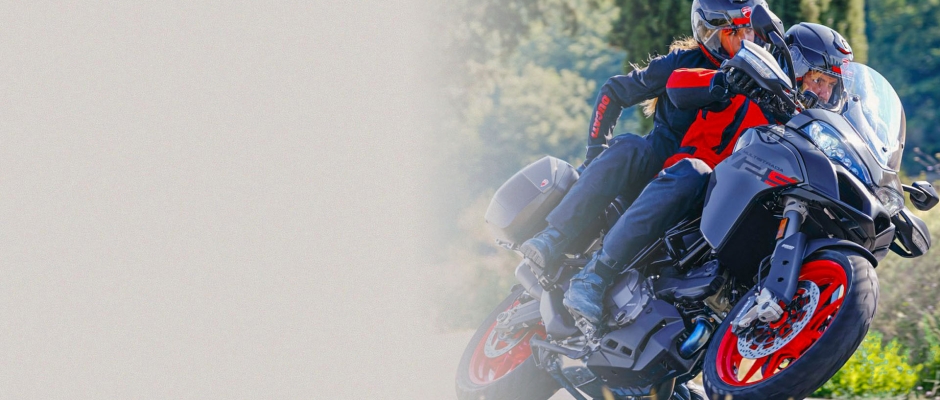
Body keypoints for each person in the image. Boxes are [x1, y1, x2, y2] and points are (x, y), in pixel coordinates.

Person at [563, 22, 855, 324]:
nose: (824, 91)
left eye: (832, 85)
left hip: (734, 209)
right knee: (695, 171)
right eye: (818, 79)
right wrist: (726, 81)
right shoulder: (751, 87)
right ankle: (595, 275)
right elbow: (678, 83)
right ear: (794, 68)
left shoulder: (806, 134)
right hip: (688, 186)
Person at [520, 0, 768, 272]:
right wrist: (595, 154)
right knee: (630, 146)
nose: (745, 39)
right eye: (733, 31)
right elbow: (613, 92)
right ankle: (553, 238)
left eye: (749, 30)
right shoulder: (681, 63)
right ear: (710, 31)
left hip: (705, 191)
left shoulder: (764, 83)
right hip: (652, 171)